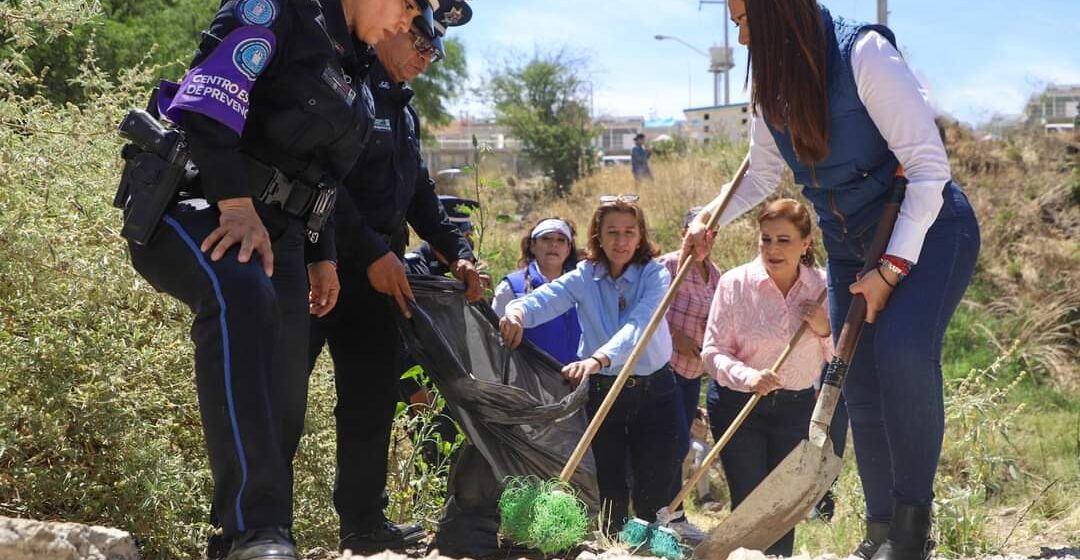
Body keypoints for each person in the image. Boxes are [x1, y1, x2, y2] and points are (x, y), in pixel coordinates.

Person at [123, 0, 426, 557]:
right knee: (241, 294)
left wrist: (322, 254)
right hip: (199, 201)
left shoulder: (356, 61)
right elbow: (208, 105)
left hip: (283, 233)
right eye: (409, 7)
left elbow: (325, 174)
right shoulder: (277, 9)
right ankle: (253, 532)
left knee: (282, 390)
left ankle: (246, 539)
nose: (408, 26)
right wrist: (236, 207)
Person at [683, 2, 981, 559]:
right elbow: (765, 173)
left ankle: (912, 538)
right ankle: (880, 532)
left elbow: (926, 168)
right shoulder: (771, 88)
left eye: (745, 20)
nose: (740, 35)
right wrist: (709, 217)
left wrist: (892, 270)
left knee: (901, 355)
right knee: (855, 387)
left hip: (930, 228)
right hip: (848, 251)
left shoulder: (864, 54)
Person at [307, 2, 483, 554]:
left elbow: (419, 193)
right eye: (422, 45)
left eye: (436, 52)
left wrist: (456, 249)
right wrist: (371, 253)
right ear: (395, 30)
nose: (428, 60)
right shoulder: (344, 81)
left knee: (369, 401)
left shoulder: (403, 107)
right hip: (319, 264)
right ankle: (262, 529)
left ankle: (362, 526)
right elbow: (326, 184)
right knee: (280, 397)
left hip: (379, 282)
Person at [499, 196, 678, 532]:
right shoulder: (585, 274)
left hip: (654, 390)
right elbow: (547, 298)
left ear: (640, 236)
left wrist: (597, 359)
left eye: (629, 232)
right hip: (604, 389)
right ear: (598, 235)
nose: (620, 241)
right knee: (609, 479)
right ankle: (614, 544)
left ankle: (648, 545)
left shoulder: (656, 276)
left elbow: (640, 326)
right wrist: (517, 312)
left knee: (654, 478)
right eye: (612, 232)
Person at [701, 199, 833, 556]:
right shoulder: (734, 283)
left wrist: (824, 329)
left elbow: (840, 359)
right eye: (766, 239)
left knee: (782, 506)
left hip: (796, 408)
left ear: (806, 243)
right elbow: (711, 351)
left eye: (784, 240)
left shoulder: (822, 288)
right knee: (750, 501)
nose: (772, 248)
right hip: (738, 404)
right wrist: (748, 376)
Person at [654, 206, 720, 543]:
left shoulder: (716, 275)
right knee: (673, 441)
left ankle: (672, 512)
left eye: (713, 233)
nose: (705, 239)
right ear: (686, 233)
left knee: (679, 444)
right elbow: (649, 311)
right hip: (666, 369)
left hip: (694, 371)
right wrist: (674, 336)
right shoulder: (668, 266)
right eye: (699, 232)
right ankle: (665, 513)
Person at [491, 217, 582, 364]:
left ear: (569, 248)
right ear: (532, 245)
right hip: (525, 381)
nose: (553, 244)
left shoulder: (583, 285)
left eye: (561, 240)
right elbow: (493, 342)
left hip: (580, 380)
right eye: (546, 238)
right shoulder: (511, 287)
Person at [404, 195, 479, 277]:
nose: (463, 246)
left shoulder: (469, 266)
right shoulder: (412, 268)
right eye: (456, 239)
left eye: (467, 237)